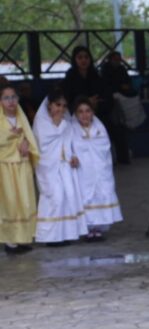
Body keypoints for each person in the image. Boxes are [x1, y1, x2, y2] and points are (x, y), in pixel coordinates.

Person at [33, 90, 88, 246]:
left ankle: (65, 234)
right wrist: (58, 124)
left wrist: (73, 155)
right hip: (49, 167)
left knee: (68, 198)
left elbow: (70, 142)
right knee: (54, 199)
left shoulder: (66, 120)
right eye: (57, 105)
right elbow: (44, 144)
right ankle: (50, 236)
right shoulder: (41, 122)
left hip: (65, 167)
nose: (61, 109)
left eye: (64, 106)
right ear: (49, 105)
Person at [62, 46, 131, 165]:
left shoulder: (96, 75)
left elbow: (107, 96)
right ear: (75, 59)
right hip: (76, 117)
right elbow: (67, 99)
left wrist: (96, 104)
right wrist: (85, 102)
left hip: (98, 113)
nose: (83, 60)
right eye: (80, 58)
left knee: (116, 129)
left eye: (86, 57)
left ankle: (120, 159)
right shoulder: (70, 77)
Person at [71, 96, 123, 241]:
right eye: (80, 111)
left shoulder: (100, 129)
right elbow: (68, 148)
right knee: (85, 196)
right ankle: (87, 228)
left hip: (100, 170)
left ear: (92, 112)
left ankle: (98, 228)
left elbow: (105, 148)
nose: (84, 115)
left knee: (101, 194)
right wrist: (73, 155)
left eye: (87, 111)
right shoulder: (72, 131)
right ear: (75, 114)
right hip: (83, 171)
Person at [0, 83, 39, 254]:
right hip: (5, 167)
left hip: (22, 165)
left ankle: (23, 237)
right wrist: (14, 136)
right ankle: (10, 242)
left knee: (25, 200)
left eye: (13, 97)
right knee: (9, 203)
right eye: (6, 98)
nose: (10, 101)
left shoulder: (21, 117)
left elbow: (29, 137)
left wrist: (25, 143)